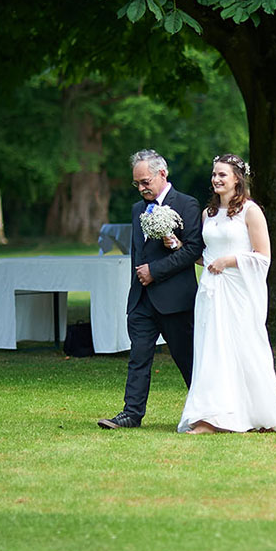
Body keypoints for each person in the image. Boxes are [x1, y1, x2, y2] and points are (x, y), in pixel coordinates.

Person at [177, 154, 276, 434]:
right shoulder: (208, 214)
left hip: (239, 291)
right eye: (214, 174)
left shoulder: (251, 212)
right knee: (211, 350)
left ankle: (255, 413)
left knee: (244, 348)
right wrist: (180, 246)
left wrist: (229, 260)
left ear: (237, 179)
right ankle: (211, 417)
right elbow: (206, 257)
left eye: (222, 175)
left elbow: (263, 257)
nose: (216, 179)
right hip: (211, 292)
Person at [98, 150, 204, 430]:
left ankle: (207, 412)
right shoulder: (137, 210)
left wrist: (154, 272)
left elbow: (194, 249)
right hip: (142, 299)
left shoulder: (187, 204)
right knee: (138, 357)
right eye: (137, 184)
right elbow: (139, 251)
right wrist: (138, 288)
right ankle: (131, 414)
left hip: (175, 299)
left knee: (188, 360)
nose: (141, 188)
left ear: (162, 174)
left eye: (145, 182)